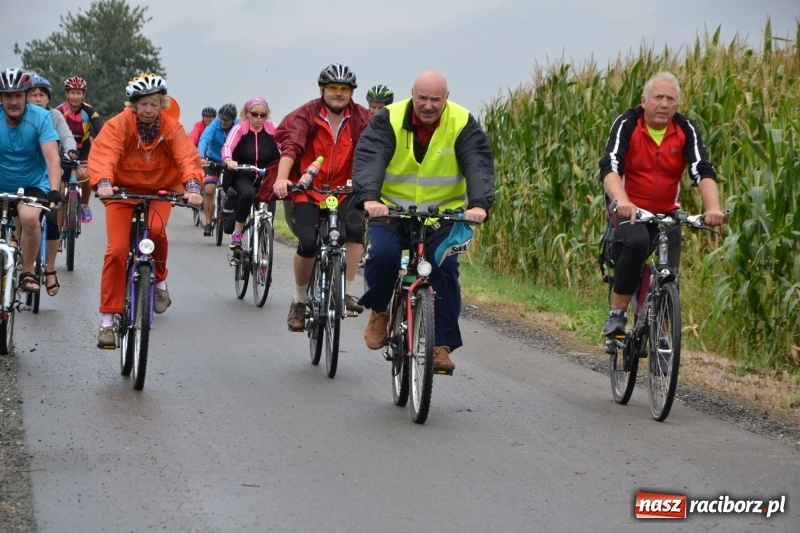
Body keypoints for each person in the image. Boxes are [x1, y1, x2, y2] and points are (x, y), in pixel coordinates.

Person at [352, 70, 495, 373]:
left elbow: (477, 162)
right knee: (383, 256)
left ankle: (440, 345)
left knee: (443, 268)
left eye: (436, 99)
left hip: (443, 213)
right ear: (412, 94)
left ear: (447, 97)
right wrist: (370, 198)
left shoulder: (461, 121)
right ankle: (379, 310)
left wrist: (479, 204)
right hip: (391, 210)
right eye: (422, 98)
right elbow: (371, 156)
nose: (429, 105)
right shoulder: (388, 119)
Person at [599, 71, 725, 338]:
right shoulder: (628, 124)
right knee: (638, 243)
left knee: (670, 272)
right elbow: (609, 166)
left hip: (666, 212)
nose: (664, 104)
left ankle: (663, 340)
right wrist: (622, 200)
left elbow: (701, 169)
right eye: (658, 97)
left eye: (670, 99)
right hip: (628, 207)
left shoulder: (684, 129)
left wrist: (713, 208)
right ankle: (617, 315)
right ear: (644, 101)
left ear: (677, 105)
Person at [88, 73, 203, 348]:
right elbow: (105, 153)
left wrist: (193, 186)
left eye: (154, 103)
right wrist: (104, 182)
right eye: (143, 104)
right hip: (121, 192)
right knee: (116, 250)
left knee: (156, 232)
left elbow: (186, 156)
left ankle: (159, 281)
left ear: (162, 103)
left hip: (160, 191)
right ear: (134, 105)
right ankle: (107, 321)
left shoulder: (172, 127)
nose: (149, 110)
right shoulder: (119, 125)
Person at [272, 62, 373, 331]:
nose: (338, 93)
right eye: (332, 88)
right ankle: (299, 301)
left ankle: (347, 292)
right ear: (322, 89)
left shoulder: (363, 118)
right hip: (309, 189)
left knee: (354, 230)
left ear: (352, 92)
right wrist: (283, 179)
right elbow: (290, 147)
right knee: (308, 242)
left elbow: (377, 151)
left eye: (344, 88)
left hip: (346, 189)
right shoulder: (306, 114)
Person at [0, 68, 63, 293]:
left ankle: (27, 272)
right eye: (8, 96)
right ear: (1, 98)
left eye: (18, 95)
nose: (13, 101)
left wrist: (55, 190)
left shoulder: (41, 117)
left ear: (27, 95)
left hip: (32, 183)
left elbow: (52, 158)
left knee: (29, 218)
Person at [28, 75, 80, 296]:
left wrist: (70, 150)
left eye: (42, 95)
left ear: (48, 98)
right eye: (33, 94)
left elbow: (66, 136)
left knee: (51, 218)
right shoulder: (18, 117)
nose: (38, 98)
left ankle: (50, 269)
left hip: (49, 172)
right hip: (25, 174)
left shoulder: (54, 116)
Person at [220, 98, 281, 248]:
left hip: (266, 173)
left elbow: (285, 145)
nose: (258, 118)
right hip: (243, 172)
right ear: (247, 114)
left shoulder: (272, 128)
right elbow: (228, 146)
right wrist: (229, 160)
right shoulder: (240, 128)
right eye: (255, 114)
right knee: (247, 194)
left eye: (263, 115)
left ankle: (264, 240)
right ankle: (238, 233)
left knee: (268, 202)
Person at [57, 76, 103, 223]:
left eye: (79, 93)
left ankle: (84, 205)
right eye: (72, 93)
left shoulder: (90, 111)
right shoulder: (59, 111)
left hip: (83, 150)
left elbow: (100, 131)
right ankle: (59, 208)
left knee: (87, 176)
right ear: (67, 94)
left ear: (84, 95)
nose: (75, 96)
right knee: (60, 182)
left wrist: (101, 145)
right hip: (64, 150)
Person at [197, 103, 239, 236]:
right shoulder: (214, 125)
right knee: (209, 190)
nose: (223, 122)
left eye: (226, 120)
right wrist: (201, 156)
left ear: (233, 119)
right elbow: (204, 139)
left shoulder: (238, 125)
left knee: (234, 190)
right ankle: (208, 222)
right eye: (221, 119)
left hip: (231, 162)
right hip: (213, 160)